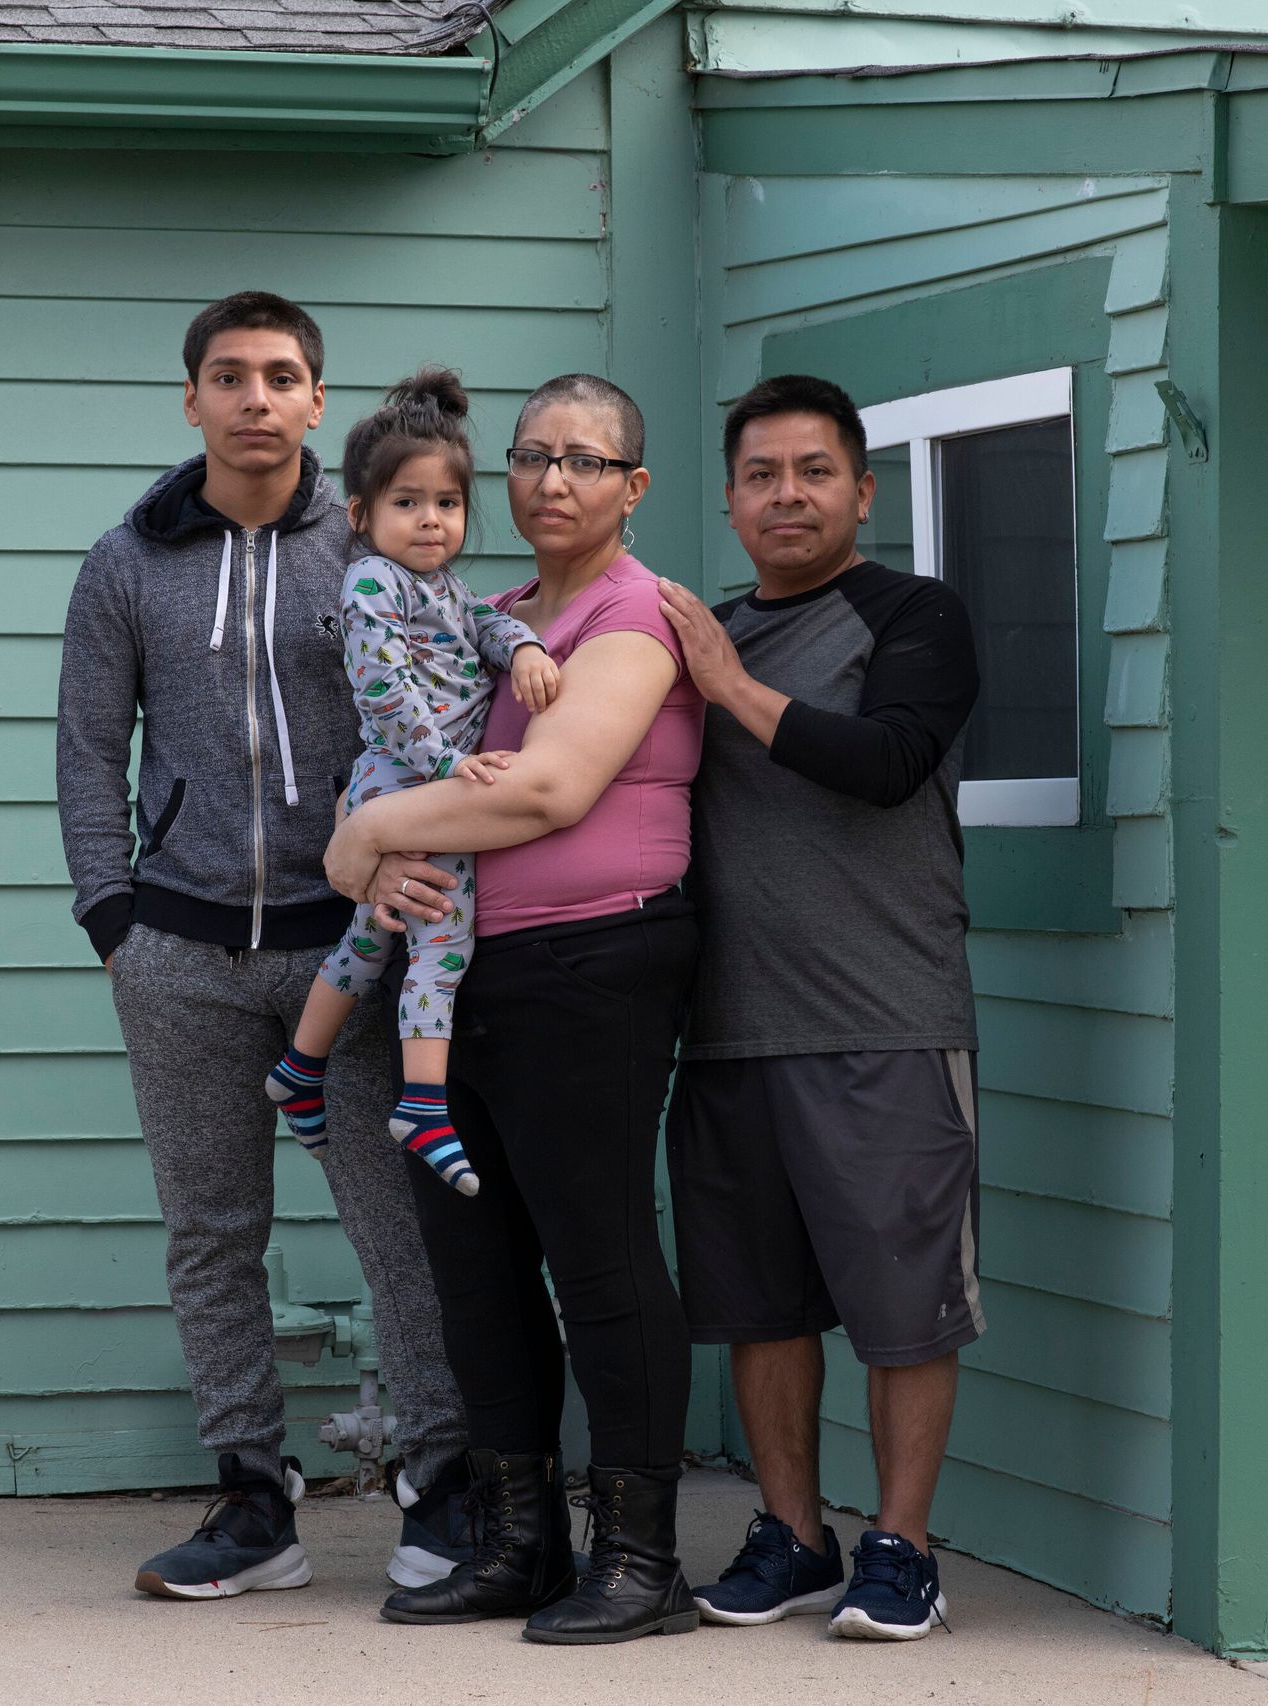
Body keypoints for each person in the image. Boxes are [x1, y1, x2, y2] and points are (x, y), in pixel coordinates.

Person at [56, 292, 472, 1601]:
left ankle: (441, 1480)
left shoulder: (364, 553)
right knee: (210, 1231)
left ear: (314, 402)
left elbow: (435, 708)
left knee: (391, 1217)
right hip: (176, 953)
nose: (253, 397)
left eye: (280, 376)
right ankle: (253, 1495)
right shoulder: (127, 560)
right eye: (227, 375)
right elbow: (85, 749)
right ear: (193, 400)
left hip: (344, 948)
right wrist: (111, 919)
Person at [324, 373, 706, 1646]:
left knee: (596, 1257)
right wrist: (360, 852)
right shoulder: (477, 616)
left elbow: (543, 792)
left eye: (586, 461)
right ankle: (517, 1538)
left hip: (594, 968)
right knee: (474, 1273)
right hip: (461, 974)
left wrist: (367, 837)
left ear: (631, 488)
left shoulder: (629, 616)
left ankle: (641, 1556)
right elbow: (371, 800)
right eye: (534, 456)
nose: (553, 480)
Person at [654, 373, 982, 1642]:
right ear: (731, 500)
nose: (786, 494)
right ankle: (792, 1535)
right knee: (758, 1302)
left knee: (905, 1305)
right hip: (729, 1022)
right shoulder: (702, 636)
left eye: (812, 471)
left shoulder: (913, 614)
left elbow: (888, 762)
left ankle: (900, 1546)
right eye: (760, 475)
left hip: (884, 1013)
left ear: (861, 488)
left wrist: (730, 686)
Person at [265, 368, 560, 1199]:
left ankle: (299, 1067)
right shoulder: (370, 583)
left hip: (413, 788)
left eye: (447, 504)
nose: (431, 520)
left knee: (368, 941)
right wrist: (445, 767)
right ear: (360, 516)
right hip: (407, 783)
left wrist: (526, 648)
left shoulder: (445, 590)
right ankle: (423, 1105)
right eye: (407, 502)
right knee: (444, 941)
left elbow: (491, 621)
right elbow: (382, 684)